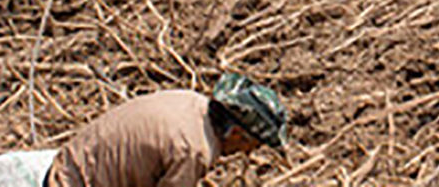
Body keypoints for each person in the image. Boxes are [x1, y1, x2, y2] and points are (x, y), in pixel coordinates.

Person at [43, 73, 288, 187]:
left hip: (69, 163)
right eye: (251, 146)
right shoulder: (195, 150)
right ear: (236, 133)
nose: (247, 154)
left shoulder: (188, 101)